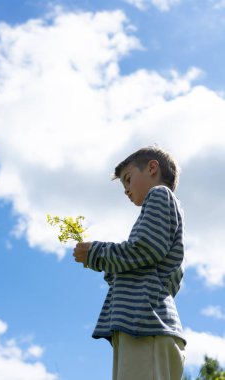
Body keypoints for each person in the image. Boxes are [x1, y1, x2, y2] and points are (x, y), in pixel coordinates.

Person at [73, 146, 186, 380]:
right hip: (142, 328)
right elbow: (149, 264)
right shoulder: (161, 211)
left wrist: (97, 253)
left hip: (146, 328)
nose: (126, 190)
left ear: (152, 168)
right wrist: (103, 262)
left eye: (128, 179)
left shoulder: (159, 195)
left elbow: (146, 249)